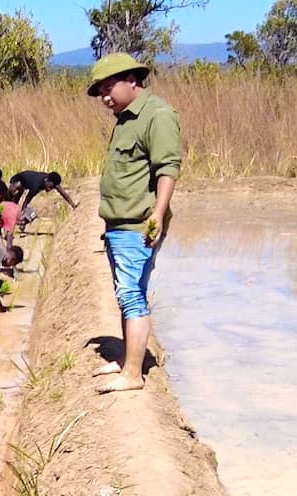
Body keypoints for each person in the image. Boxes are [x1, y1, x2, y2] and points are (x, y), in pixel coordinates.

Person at [88, 52, 182, 395]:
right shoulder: (125, 119)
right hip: (118, 223)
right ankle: (130, 359)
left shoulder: (157, 115)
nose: (104, 97)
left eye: (108, 88)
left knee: (131, 296)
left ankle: (132, 374)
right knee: (126, 293)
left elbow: (168, 168)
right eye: (100, 91)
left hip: (136, 224)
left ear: (132, 80)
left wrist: (157, 213)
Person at [10, 169, 76, 213]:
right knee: (16, 193)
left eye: (52, 188)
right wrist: (23, 212)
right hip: (18, 179)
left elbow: (63, 193)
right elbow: (27, 199)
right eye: (50, 187)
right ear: (46, 181)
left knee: (16, 201)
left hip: (26, 183)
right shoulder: (36, 185)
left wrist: (73, 204)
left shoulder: (53, 181)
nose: (50, 189)